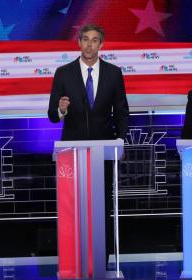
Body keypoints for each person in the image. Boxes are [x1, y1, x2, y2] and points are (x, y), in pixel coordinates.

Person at [47, 24, 129, 258]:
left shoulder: (113, 73)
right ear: (79, 42)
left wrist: (120, 140)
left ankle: (102, 257)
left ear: (101, 44)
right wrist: (61, 109)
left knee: (102, 204)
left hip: (104, 149)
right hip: (72, 150)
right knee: (73, 204)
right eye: (85, 39)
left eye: (94, 40)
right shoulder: (64, 73)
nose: (89, 45)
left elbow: (121, 111)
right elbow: (52, 115)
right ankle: (74, 256)